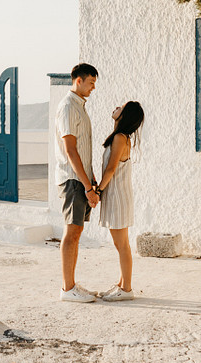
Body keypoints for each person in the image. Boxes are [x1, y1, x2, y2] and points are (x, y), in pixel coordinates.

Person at [56, 63, 99, 302]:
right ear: (78, 80)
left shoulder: (79, 107)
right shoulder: (68, 107)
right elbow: (70, 150)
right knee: (72, 232)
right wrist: (87, 186)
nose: (93, 87)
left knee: (77, 231)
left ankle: (71, 284)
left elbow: (82, 149)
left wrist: (90, 179)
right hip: (72, 179)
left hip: (80, 178)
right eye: (91, 82)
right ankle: (67, 289)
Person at [95, 101, 145, 302]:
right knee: (120, 243)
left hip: (117, 195)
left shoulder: (119, 138)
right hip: (117, 195)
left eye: (121, 107)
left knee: (121, 244)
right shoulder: (121, 137)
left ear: (124, 115)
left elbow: (111, 169)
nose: (116, 107)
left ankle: (126, 288)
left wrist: (98, 191)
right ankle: (122, 284)